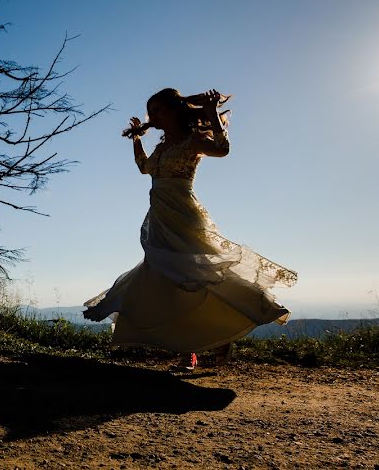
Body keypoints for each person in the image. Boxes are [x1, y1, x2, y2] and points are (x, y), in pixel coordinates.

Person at [83, 88, 297, 369]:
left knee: (201, 276)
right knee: (165, 280)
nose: (153, 116)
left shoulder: (192, 140)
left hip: (185, 215)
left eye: (158, 110)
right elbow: (144, 168)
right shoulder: (161, 146)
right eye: (151, 111)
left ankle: (229, 329)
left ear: (174, 110)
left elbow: (222, 149)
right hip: (160, 217)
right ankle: (187, 352)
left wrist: (211, 114)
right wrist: (136, 138)